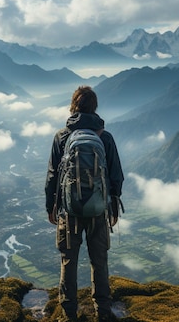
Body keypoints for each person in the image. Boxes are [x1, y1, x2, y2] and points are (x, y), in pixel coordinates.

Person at [45, 85, 124, 322]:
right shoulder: (105, 137)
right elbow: (116, 176)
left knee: (69, 259)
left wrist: (51, 207)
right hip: (99, 209)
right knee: (99, 260)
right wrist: (113, 205)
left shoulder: (61, 137)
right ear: (95, 107)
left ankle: (69, 312)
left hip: (69, 211)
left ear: (73, 107)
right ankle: (102, 311)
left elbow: (52, 176)